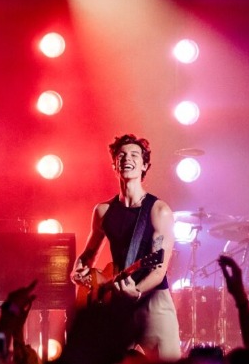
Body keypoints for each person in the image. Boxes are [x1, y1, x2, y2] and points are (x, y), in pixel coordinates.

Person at [71, 134, 181, 361]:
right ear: (114, 165)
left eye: (134, 155)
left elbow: (159, 270)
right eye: (121, 155)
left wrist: (137, 291)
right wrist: (78, 270)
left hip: (152, 300)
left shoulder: (159, 211)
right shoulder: (103, 211)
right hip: (116, 303)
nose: (126, 158)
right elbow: (88, 255)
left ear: (144, 165)